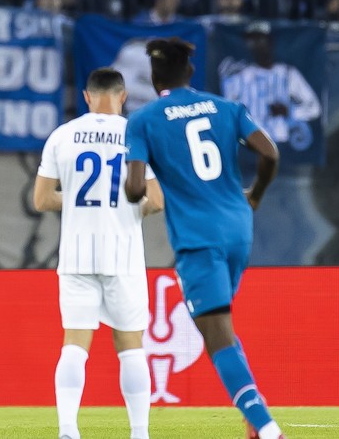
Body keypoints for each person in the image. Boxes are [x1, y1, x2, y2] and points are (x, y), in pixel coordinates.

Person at [124, 38, 284, 439]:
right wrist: (256, 196)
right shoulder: (227, 108)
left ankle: (266, 428)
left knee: (214, 334)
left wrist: (143, 182)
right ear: (191, 72)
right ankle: (253, 420)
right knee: (221, 324)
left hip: (198, 236)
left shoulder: (143, 119)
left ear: (154, 76)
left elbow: (133, 187)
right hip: (238, 229)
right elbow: (270, 154)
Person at [34, 68, 164, 439]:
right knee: (130, 346)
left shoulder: (63, 136)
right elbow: (155, 200)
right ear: (122, 97)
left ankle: (68, 431)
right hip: (123, 255)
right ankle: (139, 433)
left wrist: (75, 200)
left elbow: (42, 199)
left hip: (76, 255)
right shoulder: (133, 134)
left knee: (74, 345)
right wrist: (127, 205)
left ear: (88, 97)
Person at [220, 21, 321, 145]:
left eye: (261, 40)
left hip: (281, 145)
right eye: (252, 42)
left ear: (271, 42)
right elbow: (227, 110)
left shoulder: (287, 73)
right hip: (250, 145)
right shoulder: (240, 75)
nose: (257, 46)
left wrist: (289, 111)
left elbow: (314, 108)